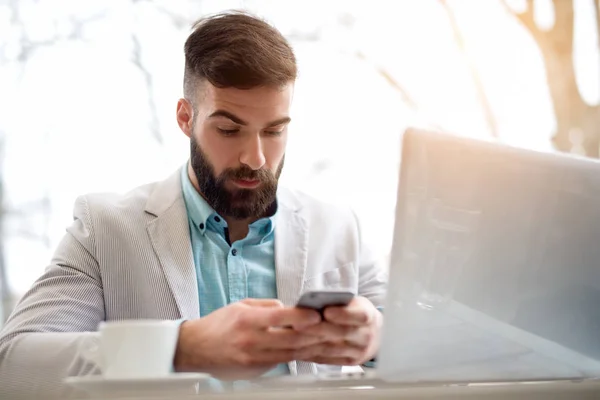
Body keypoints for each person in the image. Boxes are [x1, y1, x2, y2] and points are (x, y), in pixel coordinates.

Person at [0, 11, 386, 399]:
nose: (256, 158)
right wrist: (181, 348)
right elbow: (14, 365)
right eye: (229, 129)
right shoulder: (105, 229)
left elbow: (428, 343)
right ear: (186, 118)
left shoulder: (338, 228)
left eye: (274, 131)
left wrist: (378, 339)